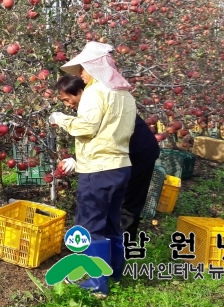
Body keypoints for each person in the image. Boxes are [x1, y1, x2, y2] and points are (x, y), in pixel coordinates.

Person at [48, 42, 137, 298]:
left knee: (91, 226)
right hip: (120, 166)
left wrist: (60, 118)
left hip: (98, 169)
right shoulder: (125, 94)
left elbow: (86, 127)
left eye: (84, 70)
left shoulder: (96, 92)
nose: (82, 76)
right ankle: (114, 274)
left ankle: (98, 284)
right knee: (111, 223)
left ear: (94, 67)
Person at [54, 75, 160, 239]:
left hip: (138, 153)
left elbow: (97, 132)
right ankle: (113, 246)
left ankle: (122, 242)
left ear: (81, 92)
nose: (68, 105)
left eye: (68, 100)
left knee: (129, 203)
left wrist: (62, 120)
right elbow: (100, 136)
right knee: (114, 206)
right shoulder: (99, 100)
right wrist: (77, 158)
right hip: (121, 155)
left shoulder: (96, 99)